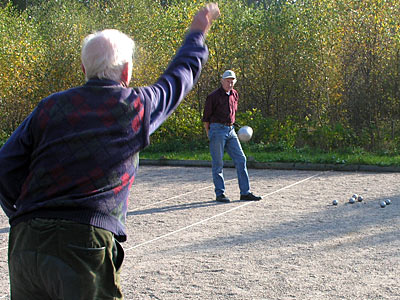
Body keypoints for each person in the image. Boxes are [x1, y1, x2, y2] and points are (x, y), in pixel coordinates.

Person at [0, 3, 220, 299]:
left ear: (83, 69)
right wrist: (196, 35)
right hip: (85, 239)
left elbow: (4, 164)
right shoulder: (135, 106)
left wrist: (26, 210)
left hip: (25, 242)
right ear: (127, 71)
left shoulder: (49, 106)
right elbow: (179, 77)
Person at [202, 70, 262, 203]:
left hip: (231, 130)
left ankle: (245, 192)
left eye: (232, 81)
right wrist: (209, 133)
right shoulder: (213, 96)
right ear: (222, 81)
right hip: (217, 130)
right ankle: (220, 193)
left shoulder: (235, 94)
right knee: (218, 163)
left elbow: (232, 113)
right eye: (227, 81)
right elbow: (206, 118)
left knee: (241, 159)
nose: (230, 83)